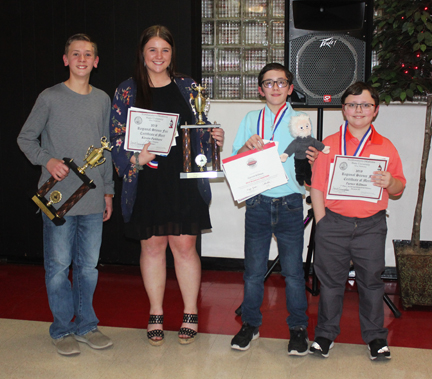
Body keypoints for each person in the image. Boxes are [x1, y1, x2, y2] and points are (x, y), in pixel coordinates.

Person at [110, 25, 224, 346]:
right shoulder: (127, 90)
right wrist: (135, 158)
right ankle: (156, 313)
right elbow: (117, 137)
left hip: (183, 179)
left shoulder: (188, 87)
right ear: (142, 54)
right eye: (152, 50)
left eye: (165, 50)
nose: (158, 56)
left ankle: (190, 313)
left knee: (185, 247)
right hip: (147, 179)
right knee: (152, 247)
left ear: (172, 54)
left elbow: (200, 130)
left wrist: (215, 139)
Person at [17, 34, 114, 356]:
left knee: (88, 267)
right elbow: (26, 139)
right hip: (57, 200)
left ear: (96, 62)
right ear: (65, 59)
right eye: (76, 54)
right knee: (58, 266)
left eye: (88, 54)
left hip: (92, 198)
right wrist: (48, 160)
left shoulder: (102, 99)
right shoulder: (50, 97)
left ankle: (86, 324)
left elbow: (106, 150)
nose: (82, 59)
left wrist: (109, 193)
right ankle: (61, 329)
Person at [309, 82, 406, 360]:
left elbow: (399, 188)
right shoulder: (328, 144)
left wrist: (391, 181)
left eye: (365, 105)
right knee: (330, 283)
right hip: (333, 224)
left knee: (372, 282)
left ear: (375, 111)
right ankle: (325, 335)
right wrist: (322, 222)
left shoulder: (386, 146)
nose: (358, 110)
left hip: (371, 226)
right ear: (343, 110)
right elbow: (317, 186)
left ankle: (376, 338)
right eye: (352, 104)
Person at [230, 63, 319, 355]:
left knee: (293, 272)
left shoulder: (300, 120)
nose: (275, 88)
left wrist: (314, 159)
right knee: (253, 271)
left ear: (290, 88)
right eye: (269, 83)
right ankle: (250, 324)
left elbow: (309, 164)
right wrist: (246, 147)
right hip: (257, 202)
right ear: (260, 90)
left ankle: (297, 328)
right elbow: (234, 158)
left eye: (281, 82)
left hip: (290, 203)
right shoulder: (250, 119)